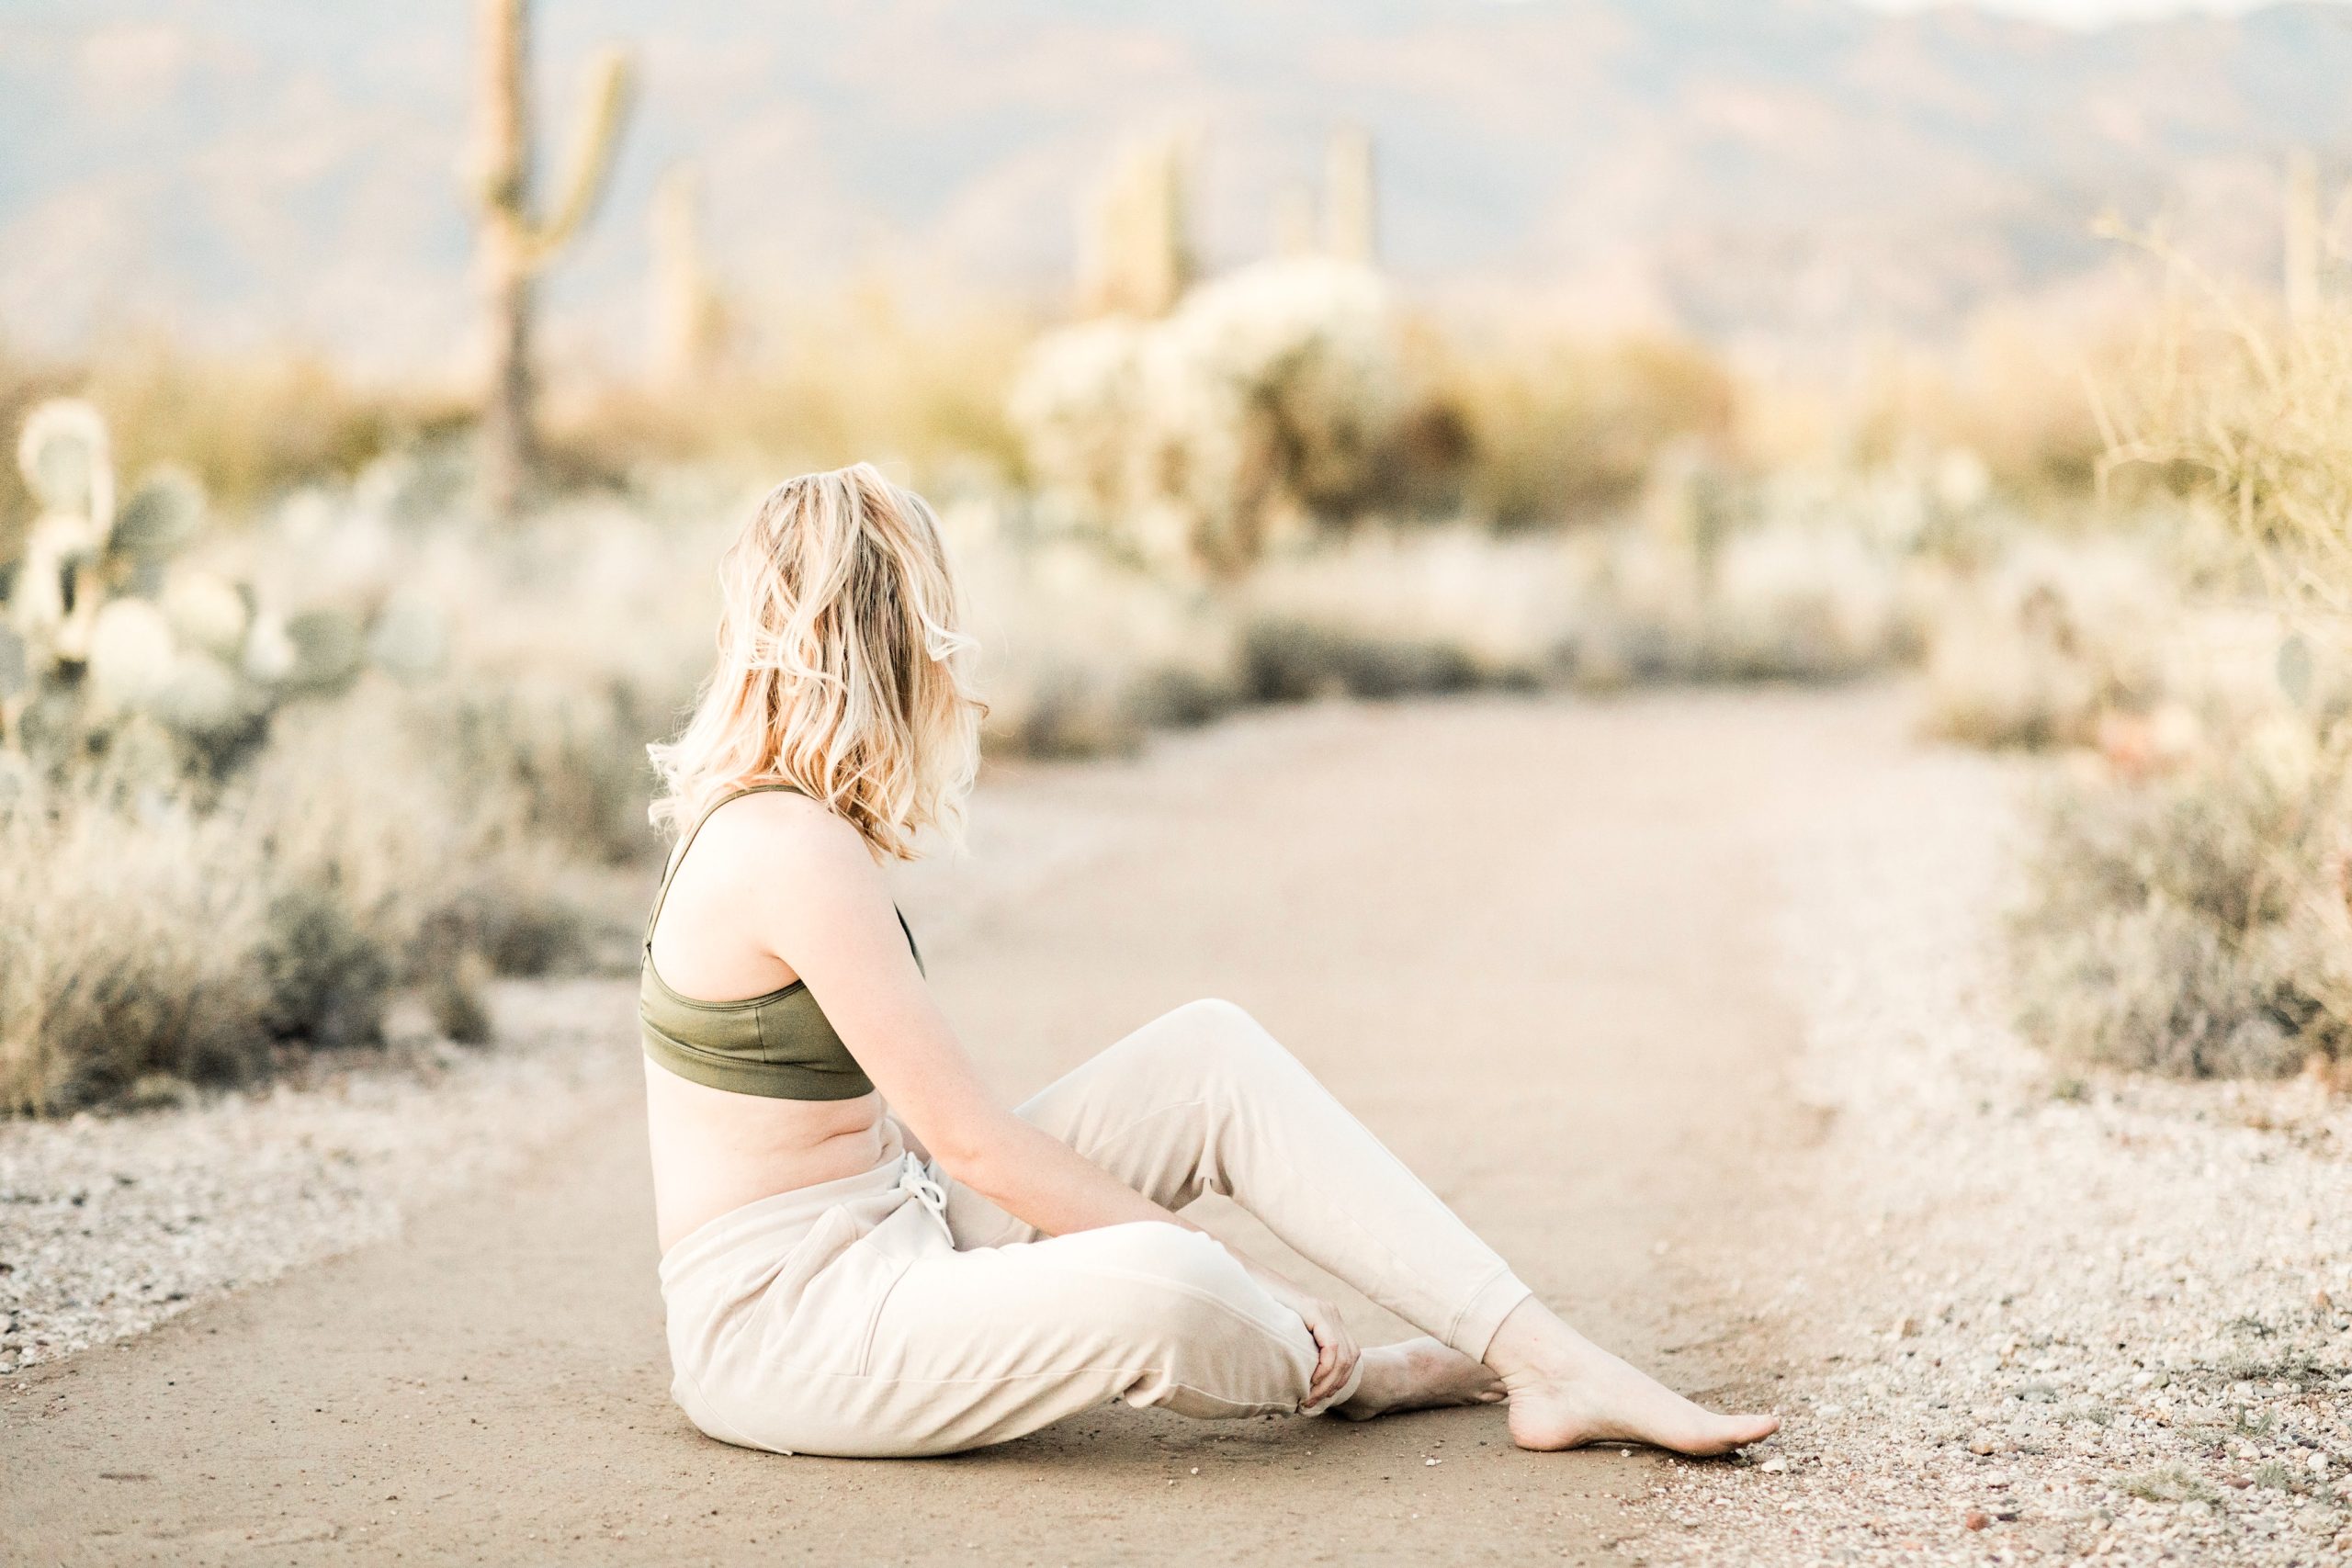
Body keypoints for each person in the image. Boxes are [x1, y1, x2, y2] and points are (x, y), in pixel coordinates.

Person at [639, 463, 1781, 1460]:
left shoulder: (797, 825)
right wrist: (1230, 1268)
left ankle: (1543, 1357)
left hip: (903, 1225)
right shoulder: (787, 846)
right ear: (880, 638)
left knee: (1209, 1054)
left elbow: (950, 1159)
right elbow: (975, 1140)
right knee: (1173, 1284)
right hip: (790, 1329)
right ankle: (1358, 1373)